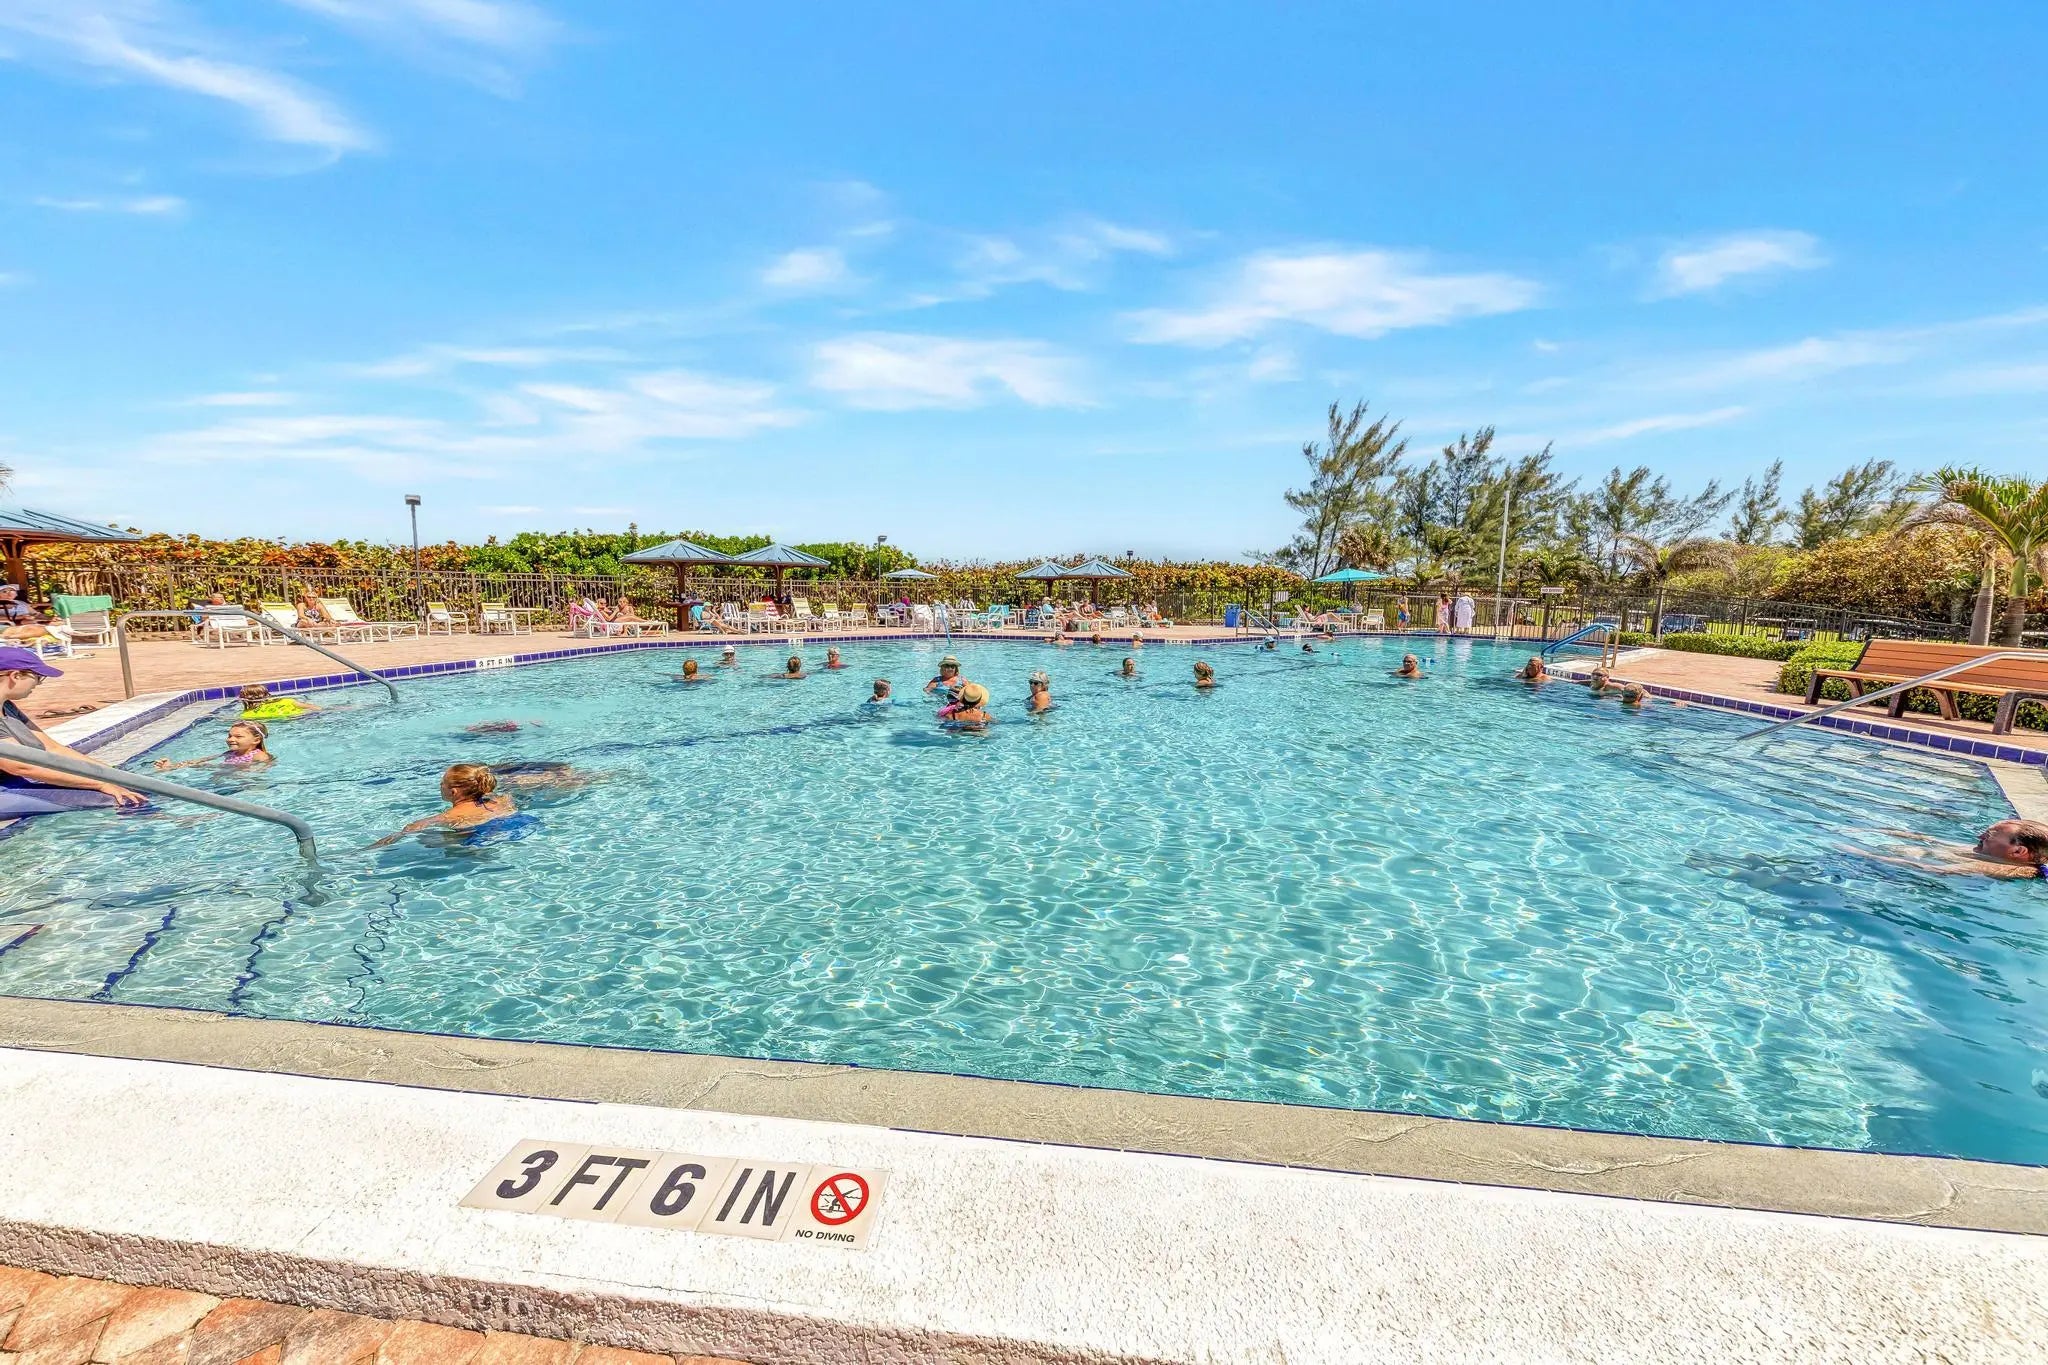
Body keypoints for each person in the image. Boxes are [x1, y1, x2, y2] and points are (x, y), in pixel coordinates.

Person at [0, 648, 146, 813]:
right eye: (38, 677)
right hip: (6, 790)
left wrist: (115, 775)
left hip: (18, 781)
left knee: (134, 789)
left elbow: (53, 749)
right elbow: (22, 766)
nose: (39, 684)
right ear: (16, 676)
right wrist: (101, 783)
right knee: (125, 801)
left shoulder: (7, 706)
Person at [371, 763, 516, 846]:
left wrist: (365, 851)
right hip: (510, 830)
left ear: (453, 792)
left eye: (442, 783)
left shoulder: (447, 817)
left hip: (474, 843)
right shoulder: (501, 800)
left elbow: (401, 834)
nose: (440, 786)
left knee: (425, 840)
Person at [1867, 820, 2048, 880]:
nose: (1980, 836)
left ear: (2017, 852)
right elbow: (1931, 840)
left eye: (1989, 835)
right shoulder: (1990, 853)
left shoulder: (2009, 869)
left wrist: (1865, 855)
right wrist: (1874, 831)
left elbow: (1932, 870)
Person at [154, 720, 273, 772]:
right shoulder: (229, 754)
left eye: (238, 737)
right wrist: (172, 766)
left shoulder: (259, 756)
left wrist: (215, 767)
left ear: (256, 740)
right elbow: (196, 762)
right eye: (229, 736)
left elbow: (261, 772)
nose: (231, 739)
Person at [239, 683, 319, 720]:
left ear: (245, 700)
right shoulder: (286, 700)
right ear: (268, 695)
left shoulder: (247, 715)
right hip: (303, 716)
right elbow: (313, 707)